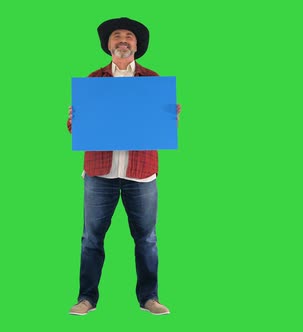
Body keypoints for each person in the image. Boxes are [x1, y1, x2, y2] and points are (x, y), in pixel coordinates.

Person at [67, 17, 180, 316]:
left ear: (137, 46)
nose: (122, 40)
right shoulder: (92, 81)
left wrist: (171, 121)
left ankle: (149, 298)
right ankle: (86, 298)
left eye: (129, 36)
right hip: (99, 172)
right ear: (108, 45)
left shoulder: (154, 81)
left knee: (147, 238)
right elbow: (76, 129)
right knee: (91, 238)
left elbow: (161, 127)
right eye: (116, 36)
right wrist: (73, 119)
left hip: (141, 173)